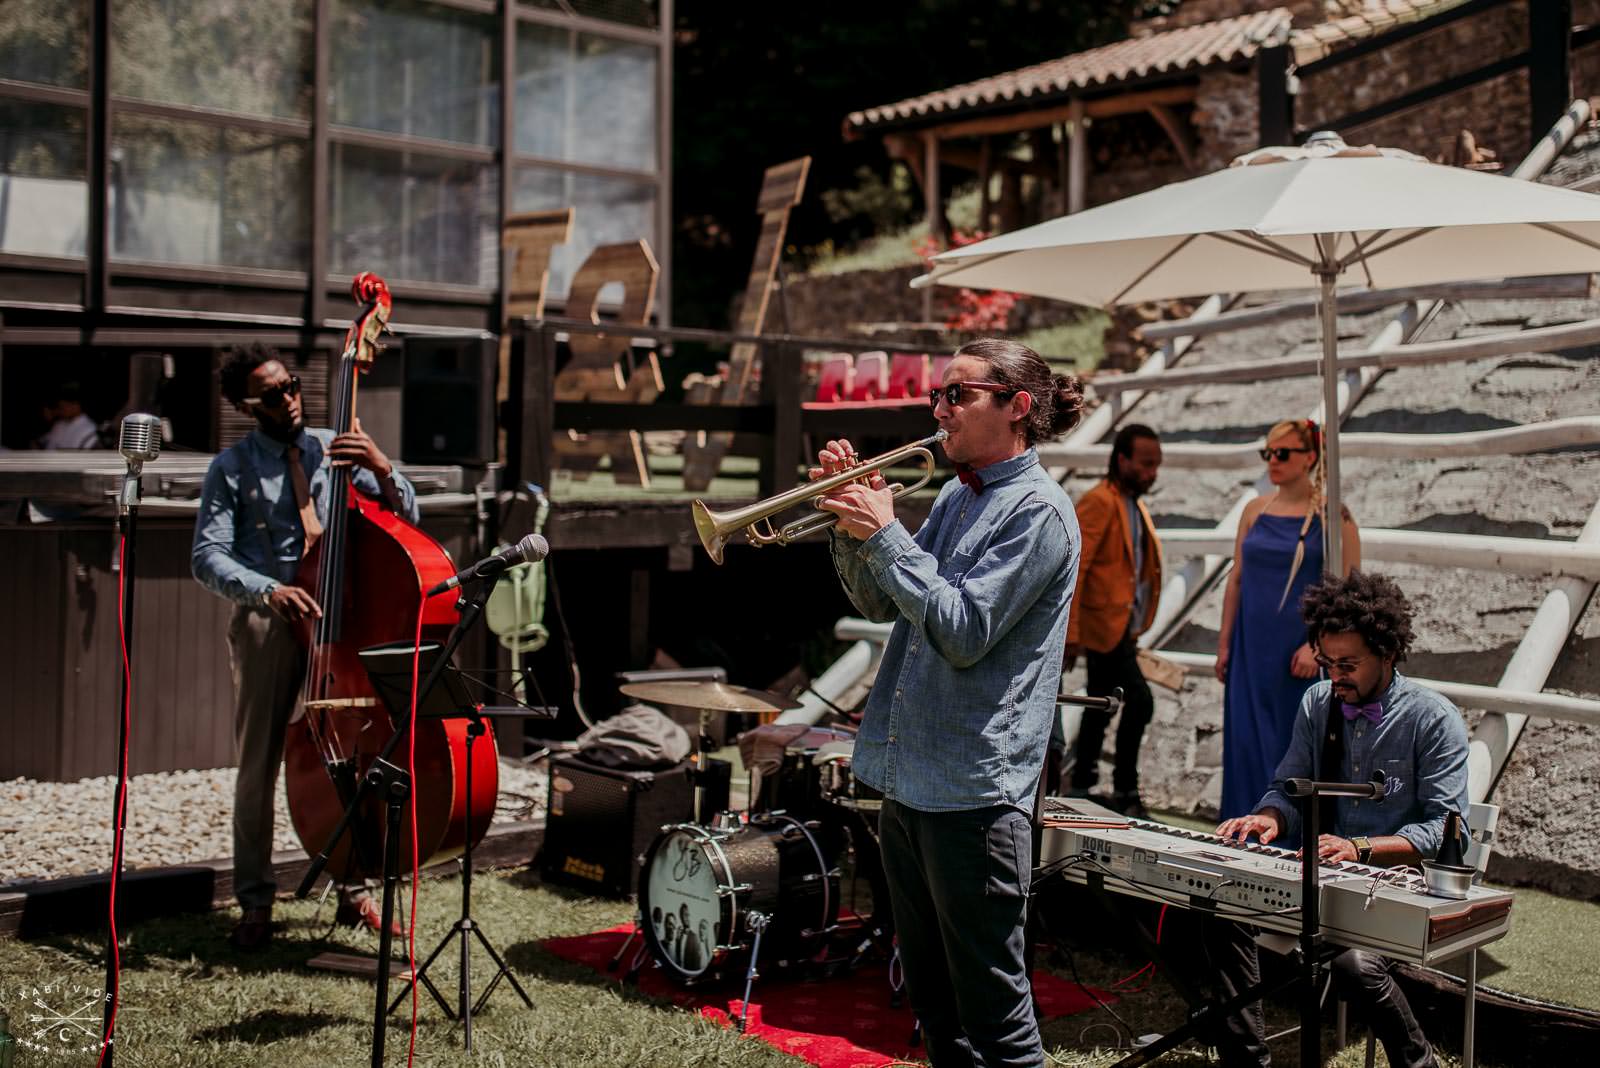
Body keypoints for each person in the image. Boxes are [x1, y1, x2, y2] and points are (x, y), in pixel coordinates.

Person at [815, 337, 1083, 1067]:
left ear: (1017, 407)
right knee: (935, 1008)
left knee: (995, 1020)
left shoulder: (1039, 512)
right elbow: (880, 598)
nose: (938, 410)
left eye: (957, 395)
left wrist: (888, 533)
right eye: (940, 394)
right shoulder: (961, 497)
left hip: (973, 795)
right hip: (913, 783)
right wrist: (850, 528)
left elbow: (963, 632)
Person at [192, 342, 417, 950]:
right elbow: (206, 556)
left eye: (291, 385)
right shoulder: (232, 468)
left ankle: (356, 889)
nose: (288, 398)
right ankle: (256, 902)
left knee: (352, 756)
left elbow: (409, 516)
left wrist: (382, 465)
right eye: (271, 393)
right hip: (271, 620)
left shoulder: (336, 446)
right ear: (246, 404)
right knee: (260, 761)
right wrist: (268, 591)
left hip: (341, 618)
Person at [1207, 570, 1468, 1068]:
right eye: (1327, 663)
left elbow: (1446, 830)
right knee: (1223, 912)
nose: (1334, 676)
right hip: (1321, 884)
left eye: (1348, 664)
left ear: (1387, 654)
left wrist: (1359, 848)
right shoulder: (1317, 703)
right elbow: (1288, 790)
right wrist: (1269, 819)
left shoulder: (1433, 718)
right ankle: (1246, 1062)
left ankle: (1420, 1063)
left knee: (1355, 962)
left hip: (1397, 891)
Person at [1216, 418, 1362, 824]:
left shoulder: (1334, 517)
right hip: (1250, 649)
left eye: (1282, 453)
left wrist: (1317, 647)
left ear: (1310, 457)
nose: (1273, 461)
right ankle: (1239, 830)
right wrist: (1225, 644)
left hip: (1298, 653)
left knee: (1289, 746)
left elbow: (1348, 591)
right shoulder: (1253, 510)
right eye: (1268, 453)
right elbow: (1237, 578)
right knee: (1244, 743)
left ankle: (1284, 835)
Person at [1062, 423, 1163, 818]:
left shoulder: (1131, 502)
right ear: (1122, 460)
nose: (1152, 472)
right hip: (1101, 629)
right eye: (1145, 464)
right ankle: (1123, 788)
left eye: (1156, 465)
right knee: (1138, 701)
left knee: (1099, 703)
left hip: (1120, 628)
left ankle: (1084, 782)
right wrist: (1071, 634)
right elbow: (1077, 568)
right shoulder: (1101, 501)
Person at [36, 383, 100, 449]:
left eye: (63, 407)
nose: (60, 410)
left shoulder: (89, 428)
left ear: (76, 406)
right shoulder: (59, 425)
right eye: (60, 407)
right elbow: (41, 443)